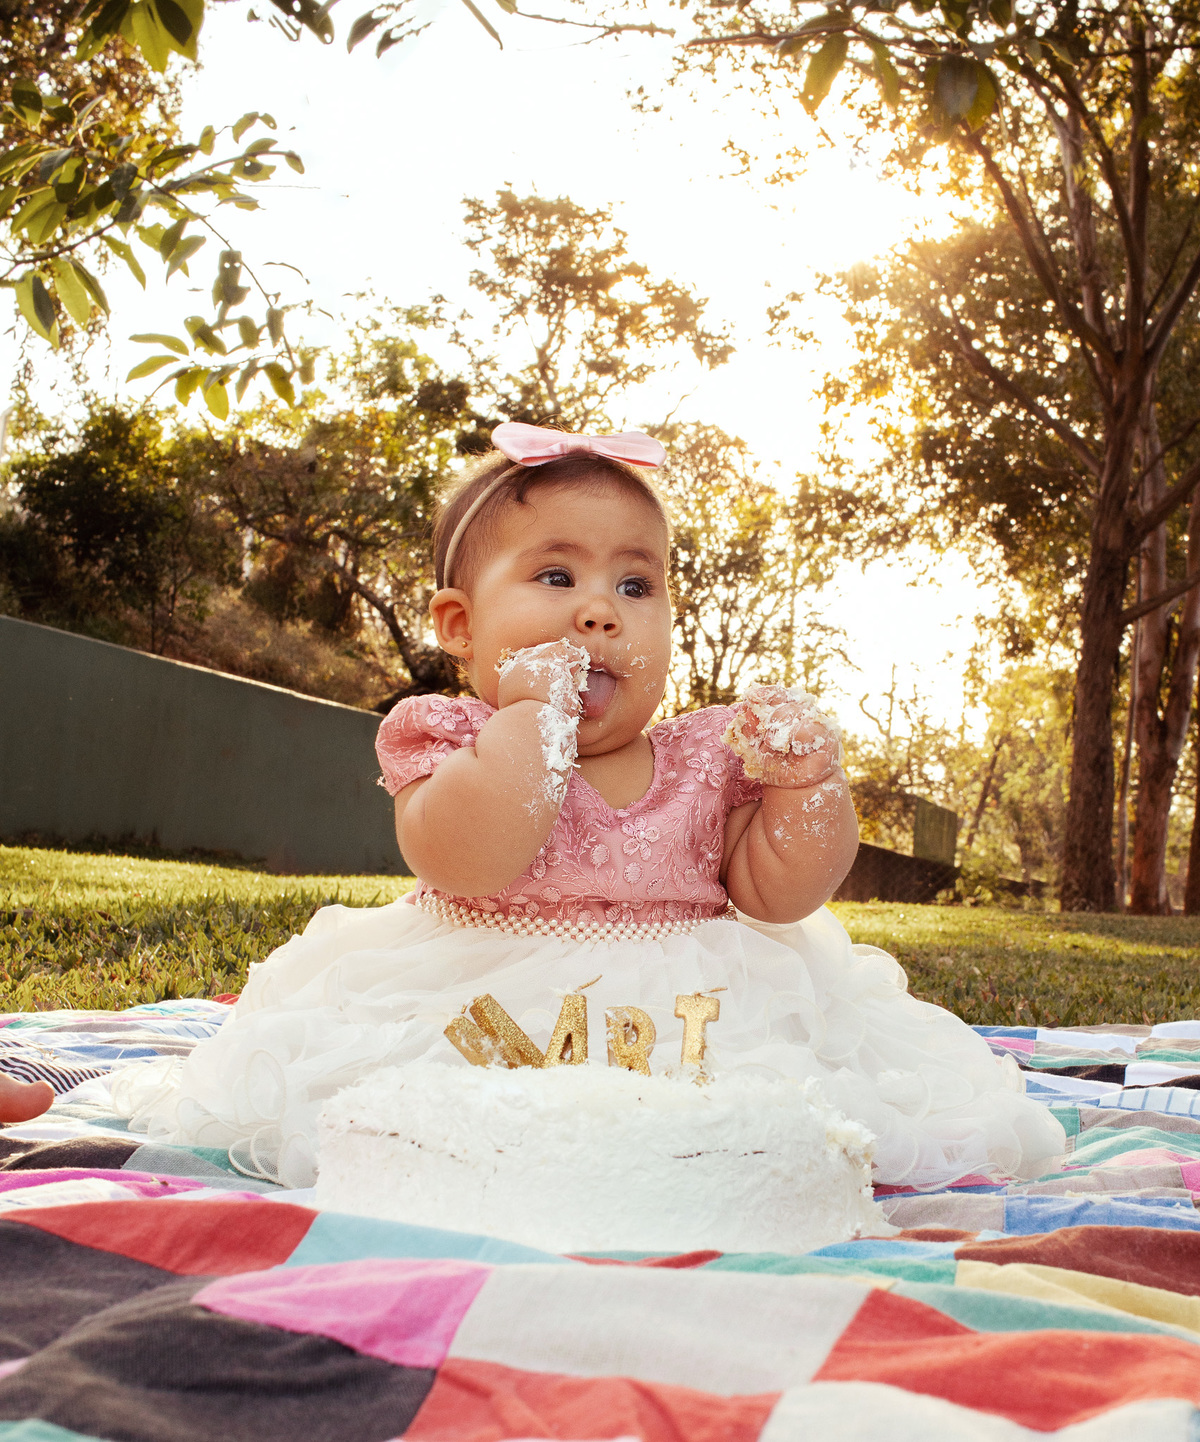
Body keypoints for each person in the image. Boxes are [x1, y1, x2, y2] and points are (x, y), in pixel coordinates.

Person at [113, 422, 1064, 1191]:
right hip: (480, 1011)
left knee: (764, 1137)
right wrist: (529, 719)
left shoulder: (705, 758)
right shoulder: (445, 738)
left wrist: (805, 789)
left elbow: (782, 895)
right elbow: (472, 858)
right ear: (460, 624)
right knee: (420, 1141)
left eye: (634, 585)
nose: (599, 610)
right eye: (556, 577)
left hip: (700, 1021)